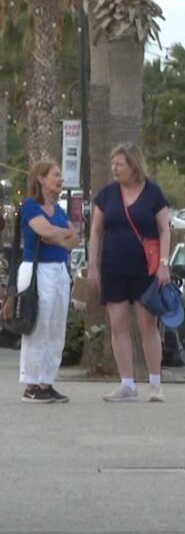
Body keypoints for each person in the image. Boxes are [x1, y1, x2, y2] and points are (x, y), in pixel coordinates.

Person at [87, 143, 171, 403]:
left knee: (148, 325)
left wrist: (164, 263)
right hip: (113, 266)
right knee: (119, 325)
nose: (114, 168)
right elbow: (96, 231)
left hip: (146, 268)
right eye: (113, 164)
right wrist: (93, 265)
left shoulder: (153, 193)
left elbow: (164, 229)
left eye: (119, 164)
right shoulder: (108, 194)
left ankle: (155, 384)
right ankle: (127, 384)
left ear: (133, 165)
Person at [18, 161, 81, 403]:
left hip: (59, 270)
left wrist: (56, 235)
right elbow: (44, 231)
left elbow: (72, 238)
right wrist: (56, 234)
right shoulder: (31, 206)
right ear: (42, 179)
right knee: (38, 326)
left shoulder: (61, 211)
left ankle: (47, 382)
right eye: (56, 175)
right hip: (37, 271)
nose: (60, 179)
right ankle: (31, 385)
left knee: (56, 327)